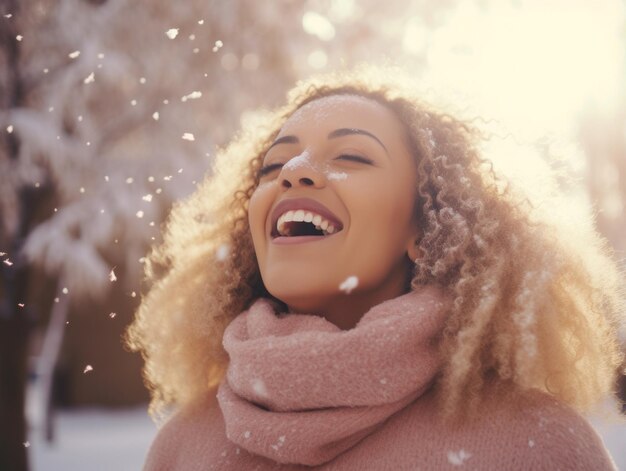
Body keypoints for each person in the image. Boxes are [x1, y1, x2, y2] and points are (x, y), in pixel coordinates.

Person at [127, 68, 624, 470]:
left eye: (351, 156)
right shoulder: (183, 449)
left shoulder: (538, 448)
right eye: (273, 166)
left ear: (425, 230)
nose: (296, 170)